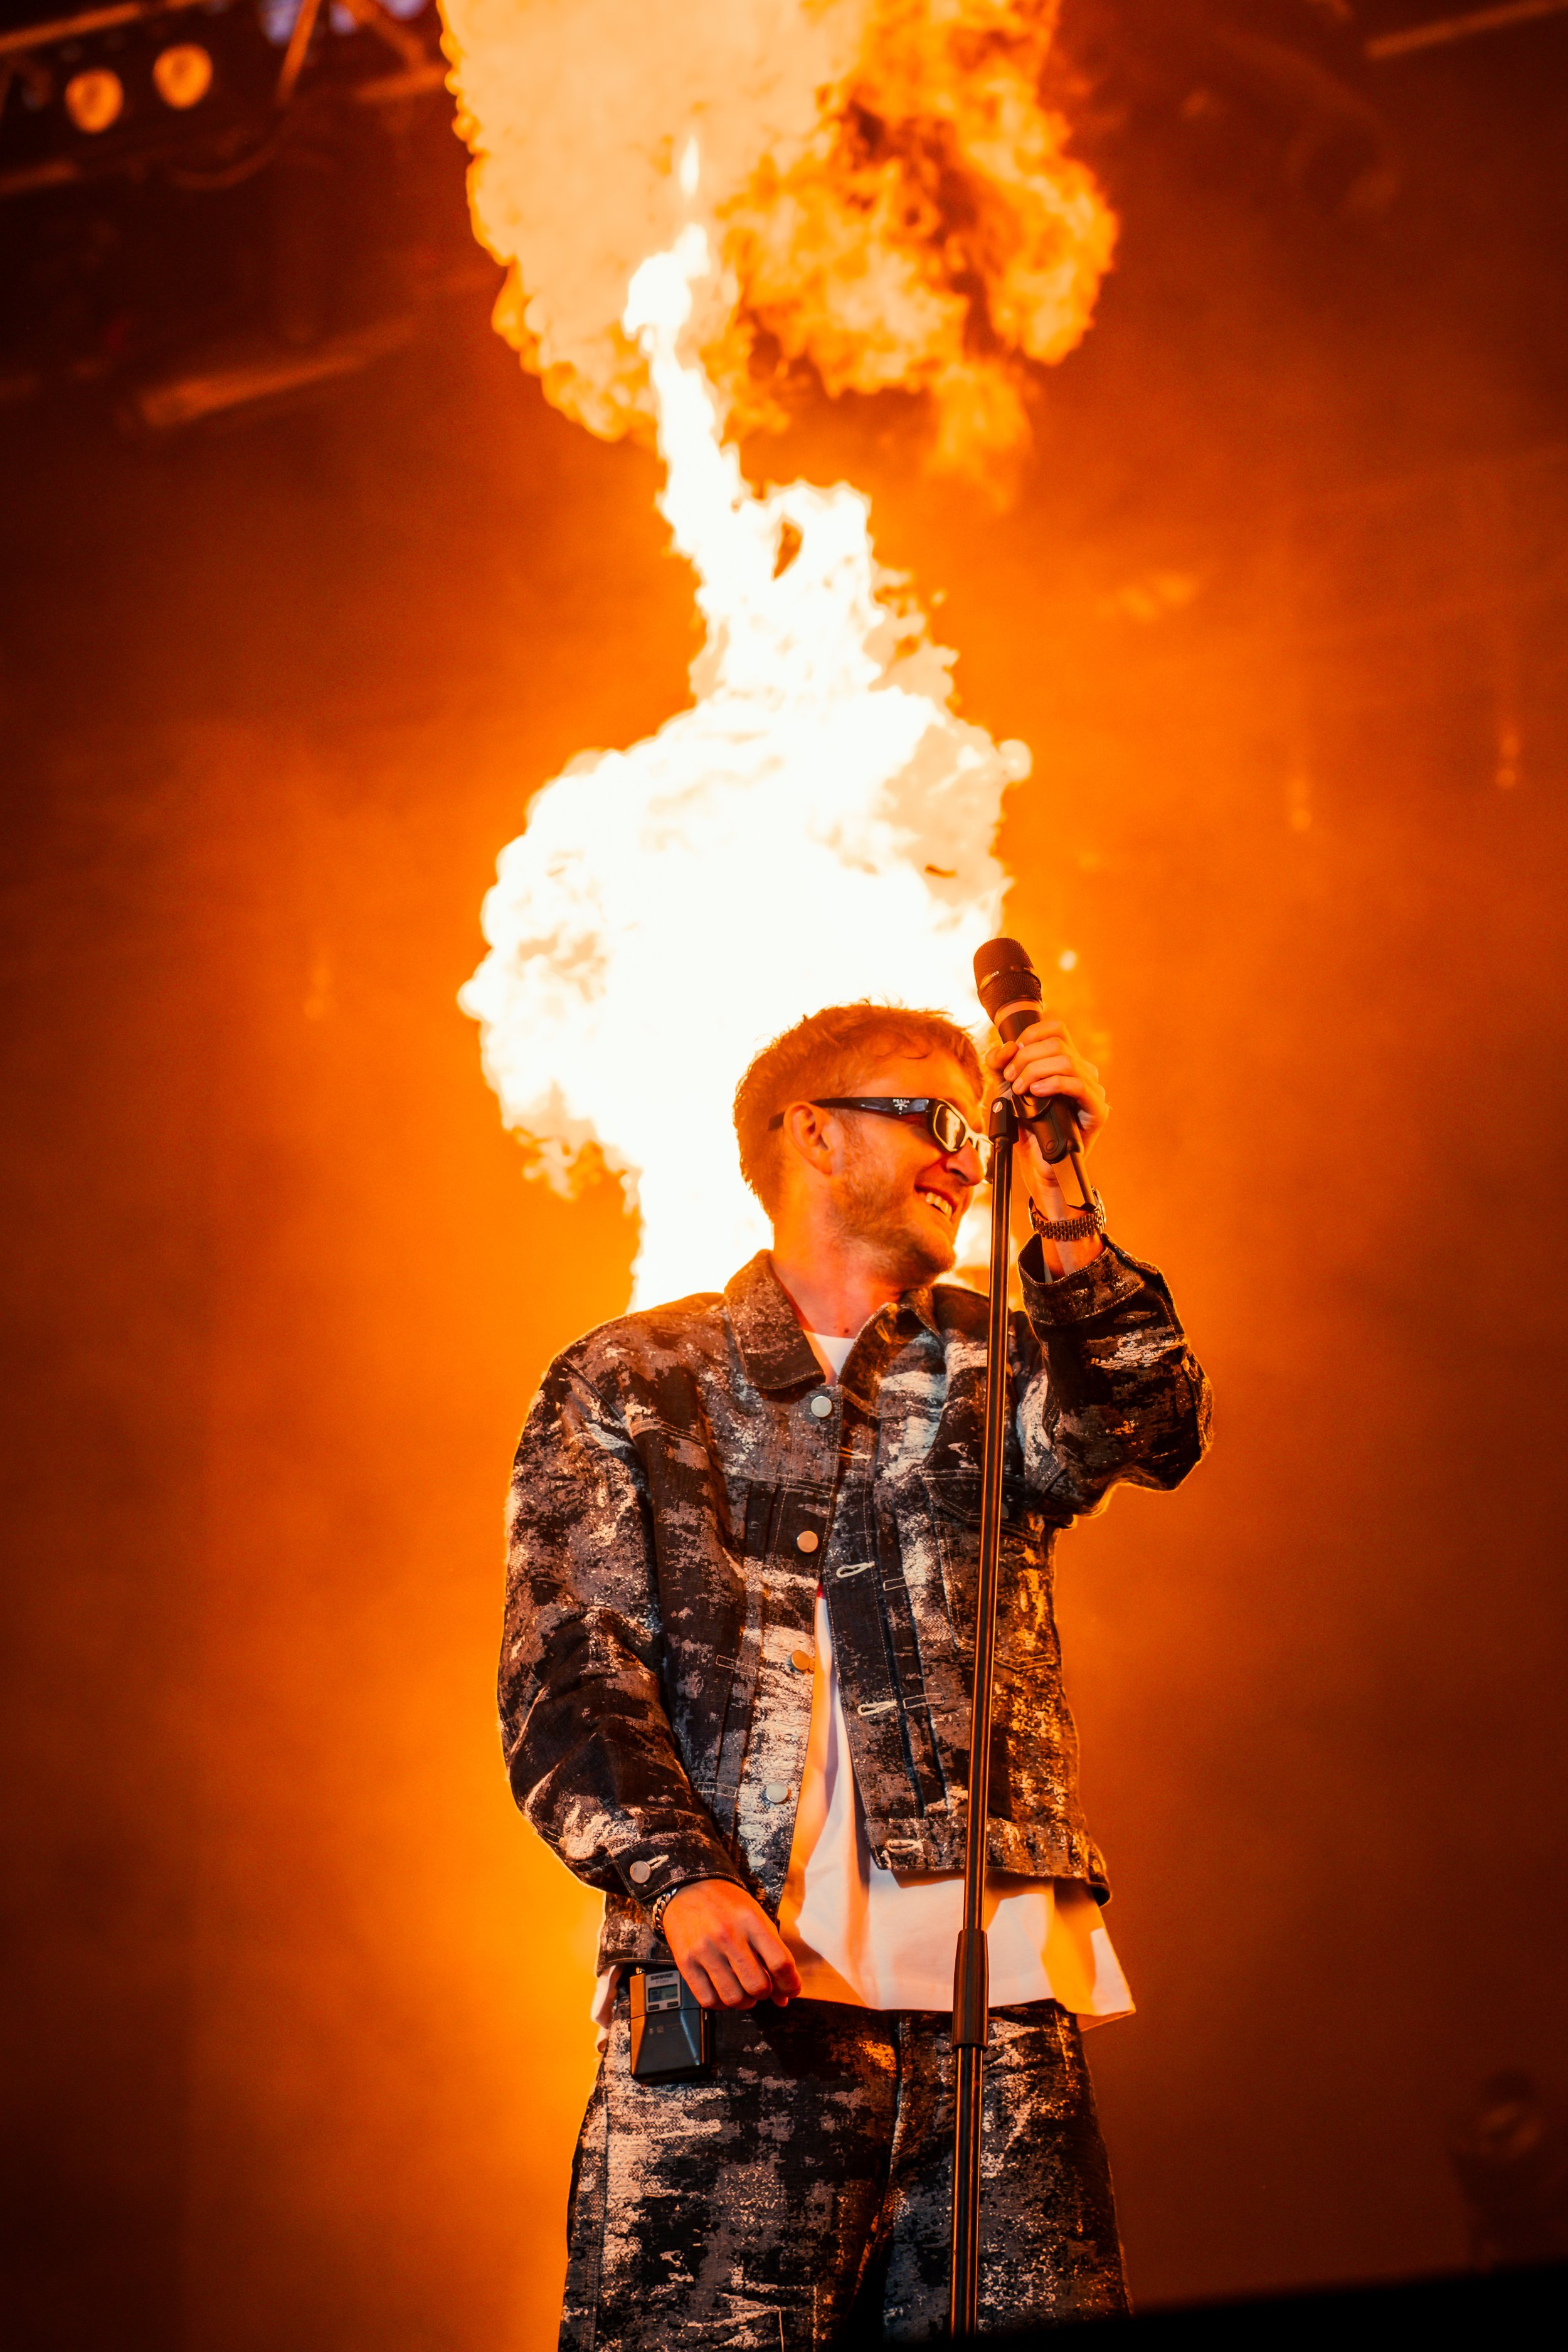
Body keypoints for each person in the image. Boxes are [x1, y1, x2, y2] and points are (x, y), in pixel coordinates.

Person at [501, 999, 1211, 2346]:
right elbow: (567, 1672)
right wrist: (681, 1876)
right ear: (814, 1137)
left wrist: (1058, 1196)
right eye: (934, 1121)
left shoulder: (996, 1359)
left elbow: (1147, 1424)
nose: (963, 1159)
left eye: (978, 1136)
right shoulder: (634, 1379)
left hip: (997, 2020)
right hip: (738, 2015)